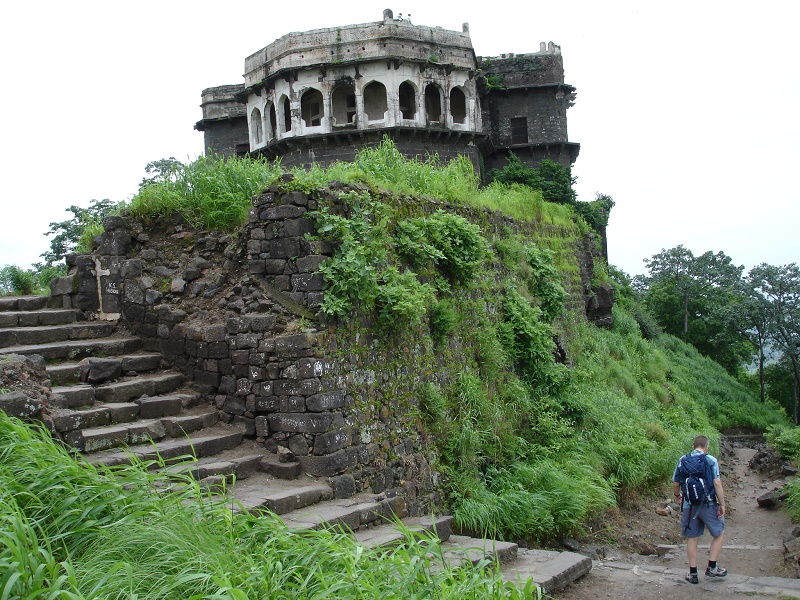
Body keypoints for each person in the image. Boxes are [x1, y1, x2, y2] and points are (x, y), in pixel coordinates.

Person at [672, 435, 727, 584]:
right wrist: (722, 504)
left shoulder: (682, 460)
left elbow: (676, 482)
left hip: (689, 505)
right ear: (707, 447)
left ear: (693, 446)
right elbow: (716, 482)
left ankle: (693, 573)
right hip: (708, 504)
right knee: (719, 532)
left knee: (692, 537)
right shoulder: (710, 460)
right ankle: (712, 567)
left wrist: (677, 496)